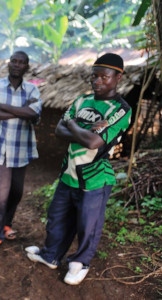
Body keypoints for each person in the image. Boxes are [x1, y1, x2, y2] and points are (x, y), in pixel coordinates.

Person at [25, 53, 132, 285]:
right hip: (68, 173)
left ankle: (80, 263)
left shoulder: (120, 109)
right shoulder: (82, 99)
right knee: (56, 218)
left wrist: (73, 125)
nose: (98, 81)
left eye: (104, 77)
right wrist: (79, 127)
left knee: (87, 224)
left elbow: (94, 143)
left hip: (94, 177)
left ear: (118, 77)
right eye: (95, 76)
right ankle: (51, 255)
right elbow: (59, 130)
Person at [0, 51, 42, 252]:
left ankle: (6, 224)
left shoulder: (32, 90)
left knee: (16, 192)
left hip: (20, 150)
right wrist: (20, 111)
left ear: (27, 66)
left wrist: (3, 107)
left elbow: (34, 114)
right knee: (0, 194)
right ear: (9, 64)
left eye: (21, 62)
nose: (17, 65)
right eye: (14, 61)